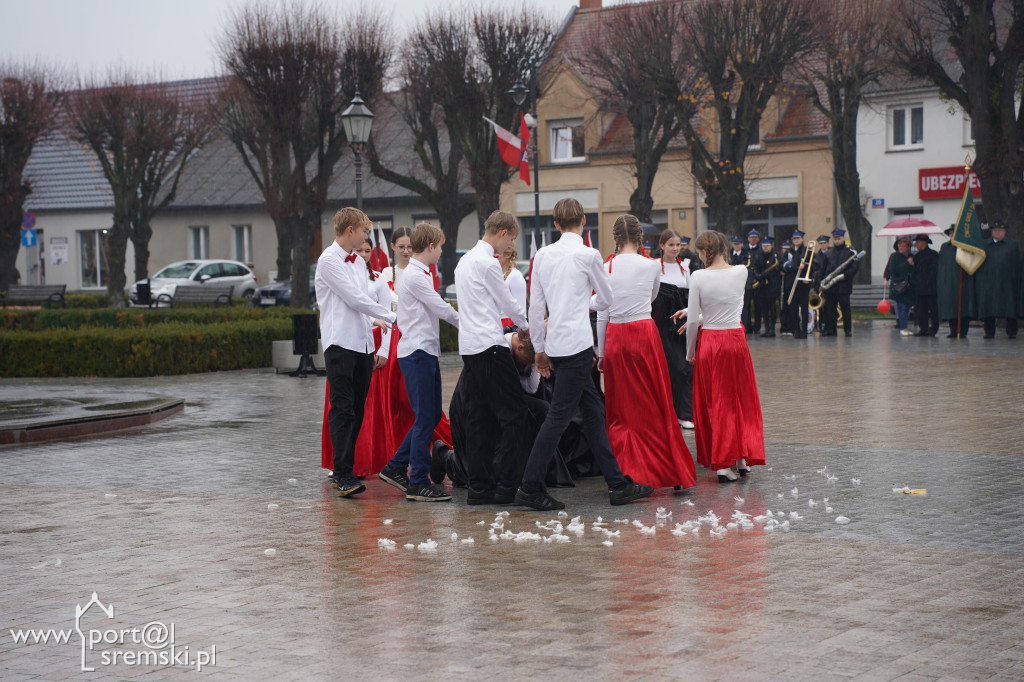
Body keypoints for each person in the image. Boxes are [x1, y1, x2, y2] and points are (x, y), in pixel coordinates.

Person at [516, 198, 654, 511]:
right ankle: (530, 485)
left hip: (555, 345)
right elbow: (606, 298)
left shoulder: (542, 256)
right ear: (583, 220)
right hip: (577, 345)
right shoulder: (589, 255)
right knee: (559, 417)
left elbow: (535, 307)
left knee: (593, 413)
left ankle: (618, 483)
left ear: (555, 224)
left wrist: (539, 349)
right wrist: (582, 304)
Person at [596, 216, 696, 490]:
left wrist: (602, 351)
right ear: (640, 236)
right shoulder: (651, 266)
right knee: (654, 399)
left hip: (617, 334)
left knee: (622, 406)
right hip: (643, 332)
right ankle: (667, 467)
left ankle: (627, 467)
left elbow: (603, 313)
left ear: (616, 237)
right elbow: (651, 299)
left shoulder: (607, 267)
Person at [374, 224, 460, 501]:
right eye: (441, 245)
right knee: (425, 416)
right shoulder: (416, 276)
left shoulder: (419, 273)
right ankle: (418, 481)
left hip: (425, 351)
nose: (442, 251)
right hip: (418, 352)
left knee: (432, 414)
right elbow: (441, 308)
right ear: (431, 246)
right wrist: (474, 325)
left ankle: (396, 466)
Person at [315, 207, 396, 497]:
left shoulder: (357, 263)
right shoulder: (329, 261)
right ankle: (343, 472)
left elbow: (358, 304)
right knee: (343, 407)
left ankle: (344, 469)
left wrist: (374, 319)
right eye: (364, 231)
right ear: (350, 230)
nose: (366, 236)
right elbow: (354, 298)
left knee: (357, 409)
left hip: (362, 343)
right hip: (340, 344)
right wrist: (390, 316)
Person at [453, 210, 531, 505]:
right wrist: (524, 327)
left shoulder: (463, 262)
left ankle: (480, 488)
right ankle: (506, 486)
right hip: (490, 346)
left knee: (479, 418)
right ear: (502, 233)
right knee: (515, 416)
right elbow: (507, 302)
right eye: (510, 240)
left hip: (470, 348)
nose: (509, 247)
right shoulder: (487, 263)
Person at [676, 229, 766, 482]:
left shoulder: (698, 276)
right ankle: (741, 457)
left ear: (705, 252)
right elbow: (730, 307)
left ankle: (724, 465)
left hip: (712, 342)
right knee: (741, 400)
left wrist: (690, 351)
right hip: (736, 340)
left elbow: (694, 321)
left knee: (717, 403)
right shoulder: (741, 271)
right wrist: (694, 314)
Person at [652, 229, 695, 430]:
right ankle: (665, 413)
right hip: (660, 326)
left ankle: (684, 413)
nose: (675, 248)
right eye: (671, 244)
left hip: (680, 326)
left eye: (678, 244)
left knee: (685, 368)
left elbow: (692, 298)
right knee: (667, 369)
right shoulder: (653, 267)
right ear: (662, 246)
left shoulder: (685, 268)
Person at [976, 220, 1021, 339]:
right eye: (995, 230)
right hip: (989, 281)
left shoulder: (1012, 245)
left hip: (1007, 282)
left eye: (1000, 230)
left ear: (1004, 231)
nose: (997, 232)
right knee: (988, 308)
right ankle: (989, 332)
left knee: (1009, 308)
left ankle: (1012, 331)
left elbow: (1017, 263)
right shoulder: (984, 245)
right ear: (991, 232)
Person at [937, 225, 976, 337]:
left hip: (963, 282)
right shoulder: (945, 247)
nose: (952, 235)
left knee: (963, 307)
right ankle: (953, 331)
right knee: (951, 307)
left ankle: (963, 331)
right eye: (950, 233)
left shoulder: (965, 247)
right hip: (949, 282)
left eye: (954, 233)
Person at [820, 229, 858, 337]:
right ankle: (831, 329)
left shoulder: (849, 253)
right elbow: (823, 269)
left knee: (845, 308)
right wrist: (821, 283)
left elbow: (854, 267)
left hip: (843, 285)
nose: (836, 241)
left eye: (839, 239)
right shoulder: (828, 253)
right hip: (831, 286)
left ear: (843, 239)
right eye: (835, 239)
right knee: (831, 309)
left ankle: (847, 329)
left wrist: (846, 275)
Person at [783, 230, 812, 339]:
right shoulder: (788, 252)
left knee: (804, 308)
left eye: (798, 238)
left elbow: (814, 264)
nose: (796, 240)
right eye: (794, 239)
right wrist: (789, 265)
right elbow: (782, 264)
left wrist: (804, 267)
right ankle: (796, 329)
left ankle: (804, 330)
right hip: (791, 284)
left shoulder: (806, 251)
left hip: (803, 284)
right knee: (793, 309)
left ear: (802, 239)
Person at [886, 236, 916, 336]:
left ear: (908, 247)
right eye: (900, 246)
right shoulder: (895, 256)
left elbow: (914, 270)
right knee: (901, 307)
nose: (901, 248)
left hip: (909, 286)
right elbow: (893, 270)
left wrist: (912, 265)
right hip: (899, 286)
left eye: (903, 246)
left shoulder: (911, 256)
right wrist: (907, 264)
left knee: (907, 307)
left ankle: (905, 326)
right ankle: (903, 328)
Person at [752, 236, 780, 337]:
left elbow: (777, 269)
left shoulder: (775, 256)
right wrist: (757, 275)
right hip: (761, 286)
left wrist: (767, 274)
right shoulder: (758, 255)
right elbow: (754, 267)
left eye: (767, 246)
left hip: (771, 286)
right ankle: (766, 328)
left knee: (772, 309)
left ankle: (772, 329)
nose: (765, 248)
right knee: (764, 309)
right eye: (763, 246)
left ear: (772, 246)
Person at [912, 234, 940, 336]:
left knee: (933, 310)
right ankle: (923, 328)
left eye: (918, 242)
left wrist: (928, 282)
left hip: (931, 288)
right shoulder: (917, 256)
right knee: (920, 310)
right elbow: (914, 272)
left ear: (924, 242)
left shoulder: (933, 255)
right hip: (919, 288)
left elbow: (934, 271)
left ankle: (934, 328)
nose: (916, 244)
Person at [380, 227, 413, 309]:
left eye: (410, 247)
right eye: (401, 247)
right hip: (394, 319)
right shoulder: (386, 272)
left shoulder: (423, 272)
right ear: (393, 246)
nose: (406, 251)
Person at [498, 244, 527, 328]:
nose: (493, 256)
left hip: (509, 326)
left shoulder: (515, 276)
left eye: (497, 252)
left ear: (508, 255)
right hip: (495, 325)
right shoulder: (495, 274)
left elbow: (521, 310)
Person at [779, 239, 793, 335]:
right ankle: (784, 327)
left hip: (790, 284)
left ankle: (791, 327)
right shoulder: (780, 258)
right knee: (783, 307)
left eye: (788, 248)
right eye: (784, 248)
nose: (786, 250)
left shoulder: (792, 257)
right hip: (782, 285)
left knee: (791, 307)